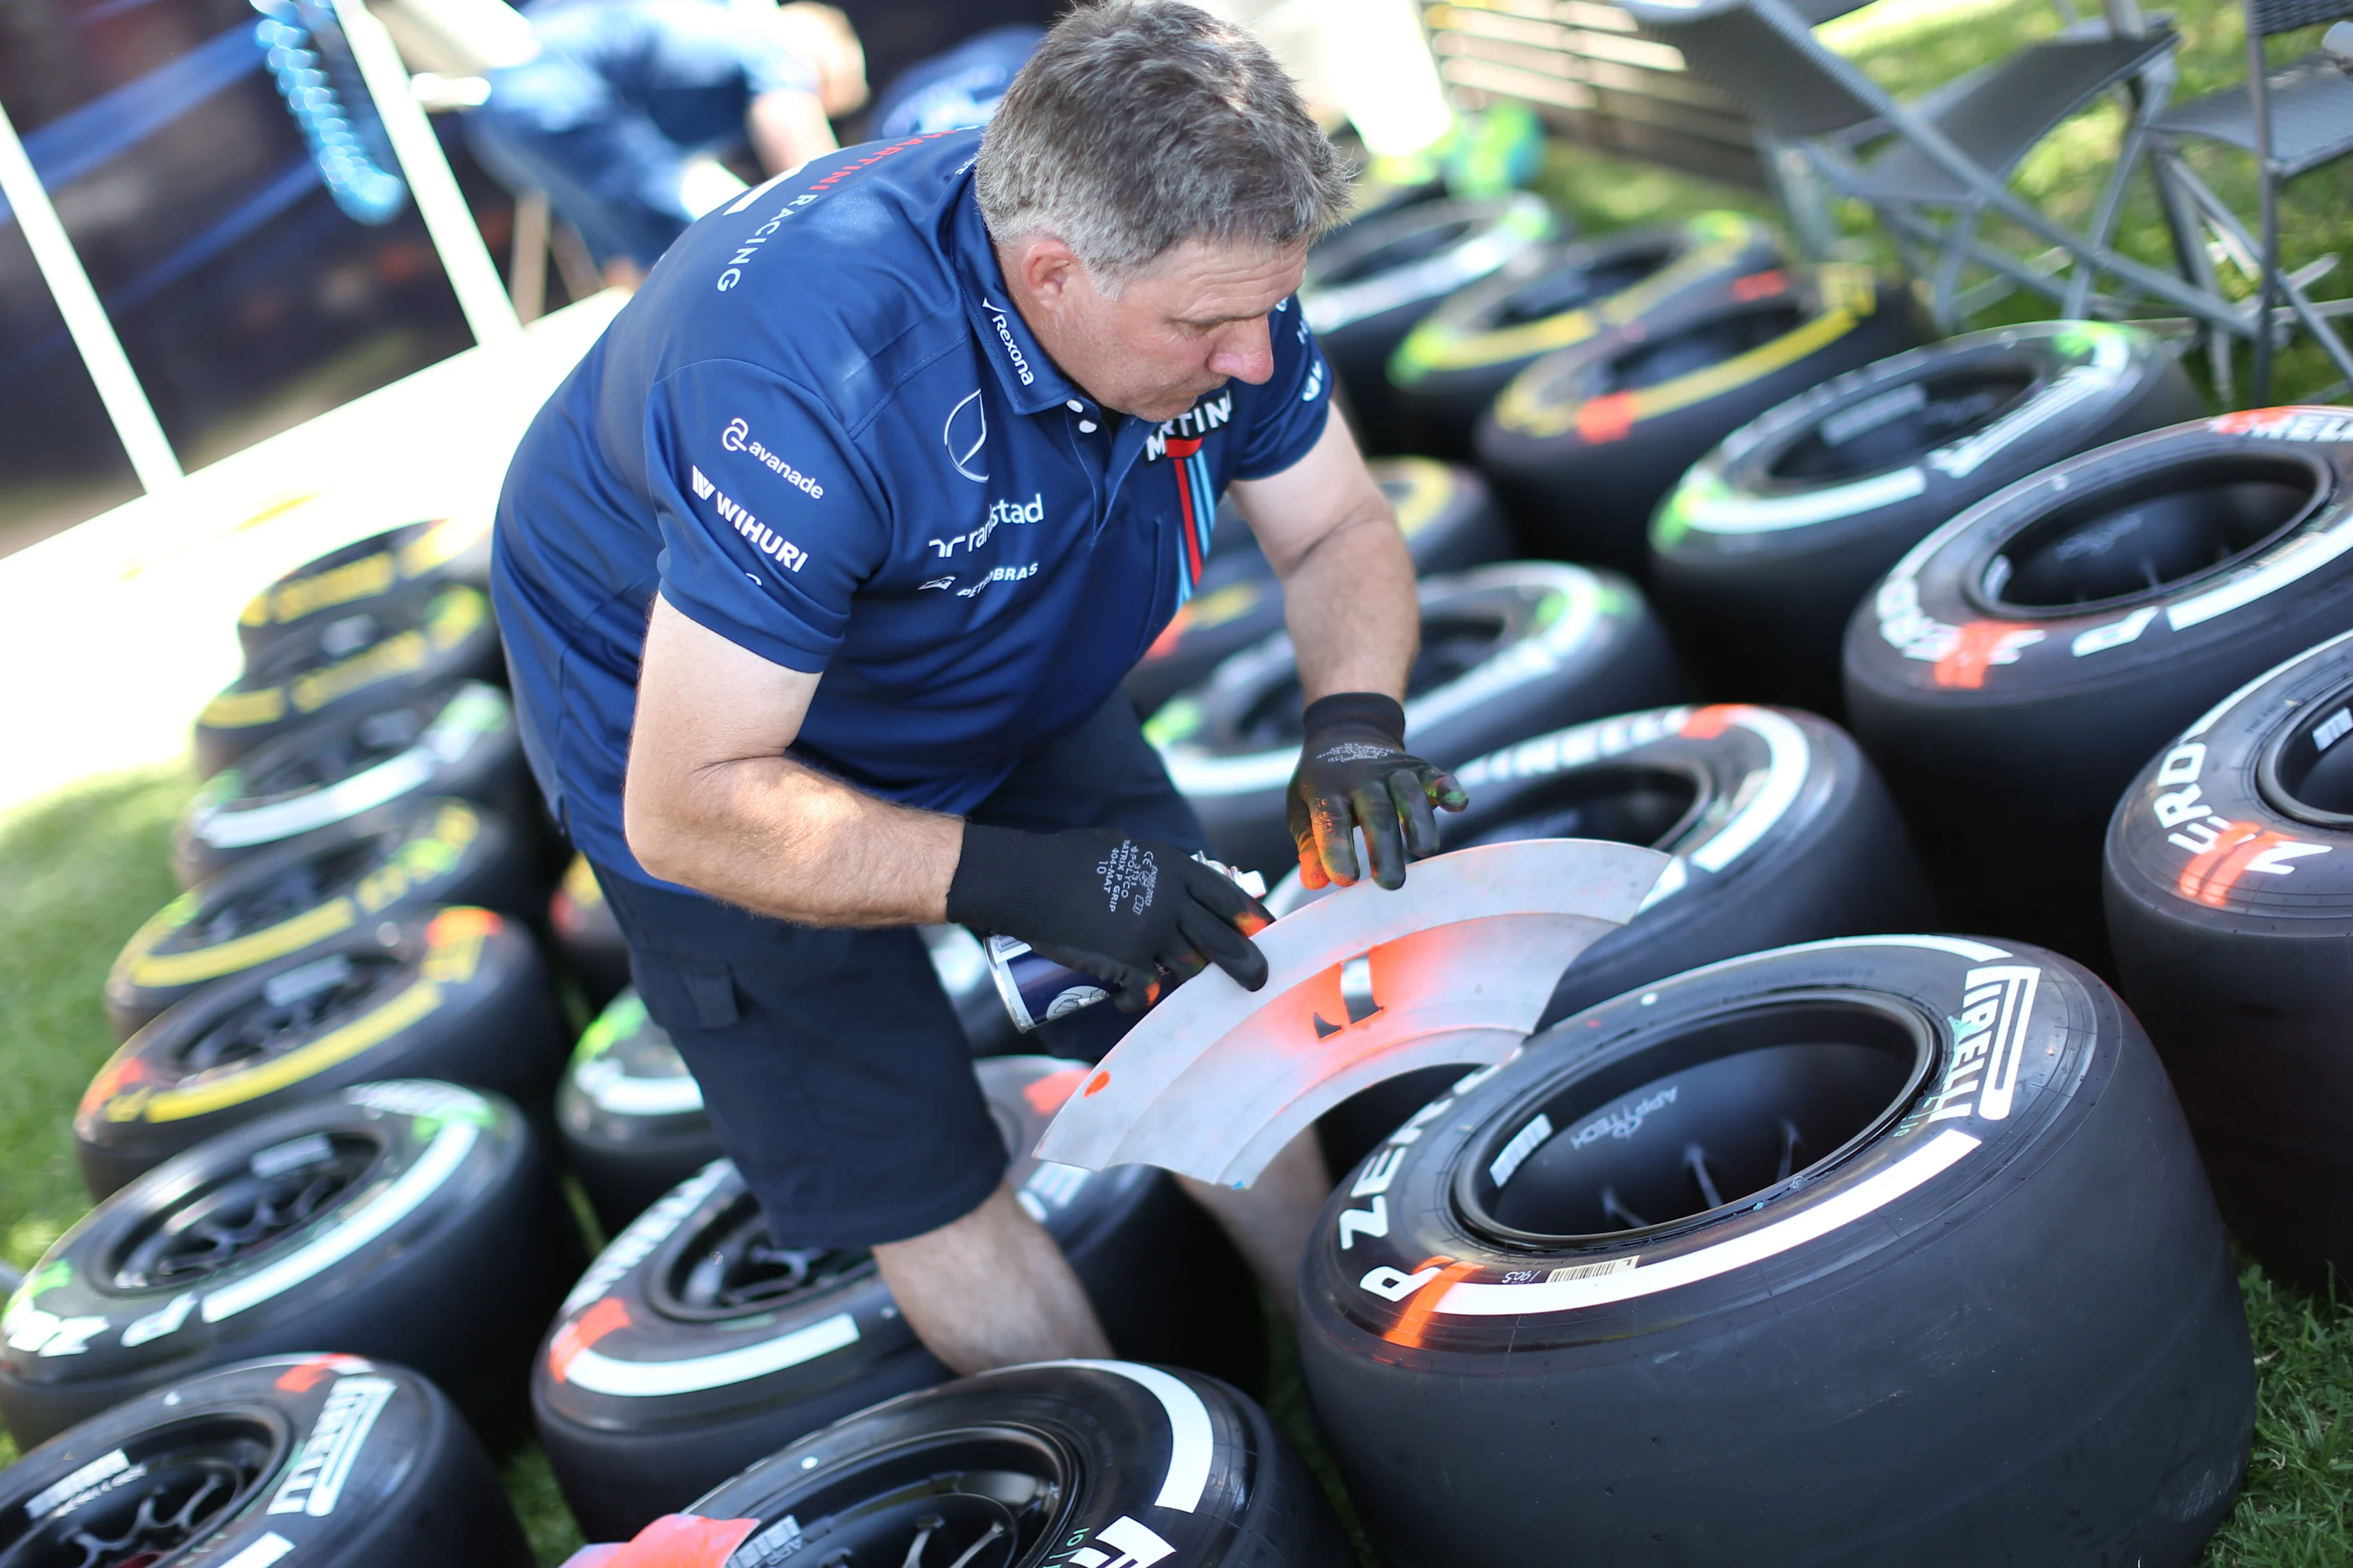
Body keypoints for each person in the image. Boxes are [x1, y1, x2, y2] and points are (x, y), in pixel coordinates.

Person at [490, 0, 1466, 1371]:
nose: (1250, 360)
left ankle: (1335, 1341)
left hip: (984, 619)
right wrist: (1023, 880)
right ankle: (1115, 1463)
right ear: (1052, 274)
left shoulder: (1209, 285)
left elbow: (1335, 527)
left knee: (1198, 983)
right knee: (912, 1159)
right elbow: (693, 806)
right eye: (1206, 326)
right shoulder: (809, 383)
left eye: (1269, 310)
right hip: (684, 716)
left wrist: (1356, 722)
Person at [463, 0, 868, 286]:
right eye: (823, 95)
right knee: (715, 253)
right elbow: (813, 169)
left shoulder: (709, 22)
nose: (818, 105)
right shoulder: (772, 48)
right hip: (566, 99)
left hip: (497, 118)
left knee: (649, 259)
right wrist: (856, 242)